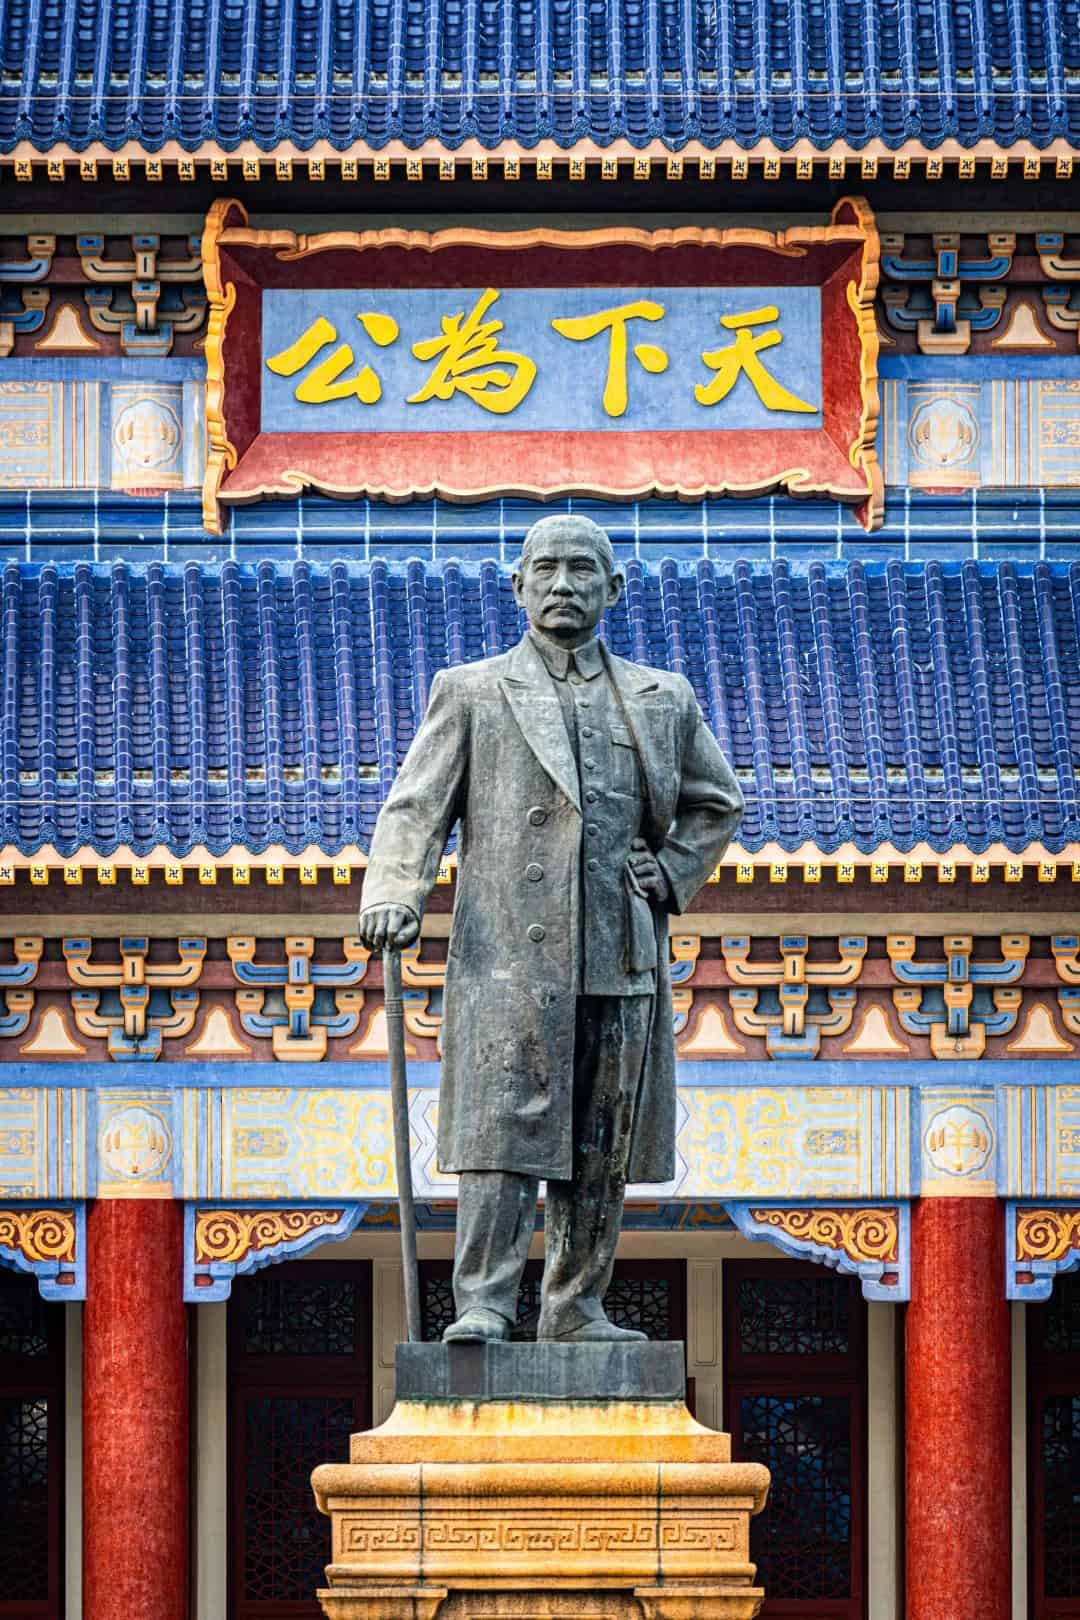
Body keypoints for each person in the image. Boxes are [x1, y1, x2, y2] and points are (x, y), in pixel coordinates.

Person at [358, 514, 743, 1342]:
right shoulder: (472, 691)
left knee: (601, 1138)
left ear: (615, 587)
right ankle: (484, 1304)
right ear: (518, 585)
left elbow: (717, 802)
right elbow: (416, 807)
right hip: (507, 954)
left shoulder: (662, 698)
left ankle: (575, 1307)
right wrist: (394, 890)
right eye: (547, 569)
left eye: (582, 570)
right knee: (499, 1133)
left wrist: (672, 871)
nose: (563, 584)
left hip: (617, 949)